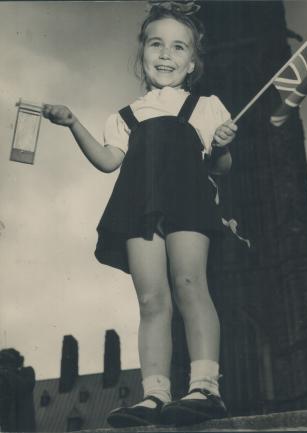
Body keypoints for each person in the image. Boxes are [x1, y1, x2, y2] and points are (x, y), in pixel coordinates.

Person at [43, 1, 241, 427]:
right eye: (157, 44)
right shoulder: (124, 117)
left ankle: (205, 386)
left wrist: (222, 144)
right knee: (151, 301)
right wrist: (73, 121)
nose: (166, 55)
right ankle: (155, 395)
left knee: (191, 284)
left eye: (178, 47)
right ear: (143, 53)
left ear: (192, 62)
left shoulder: (206, 107)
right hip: (137, 204)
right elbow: (107, 161)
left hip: (187, 200)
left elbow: (219, 167)